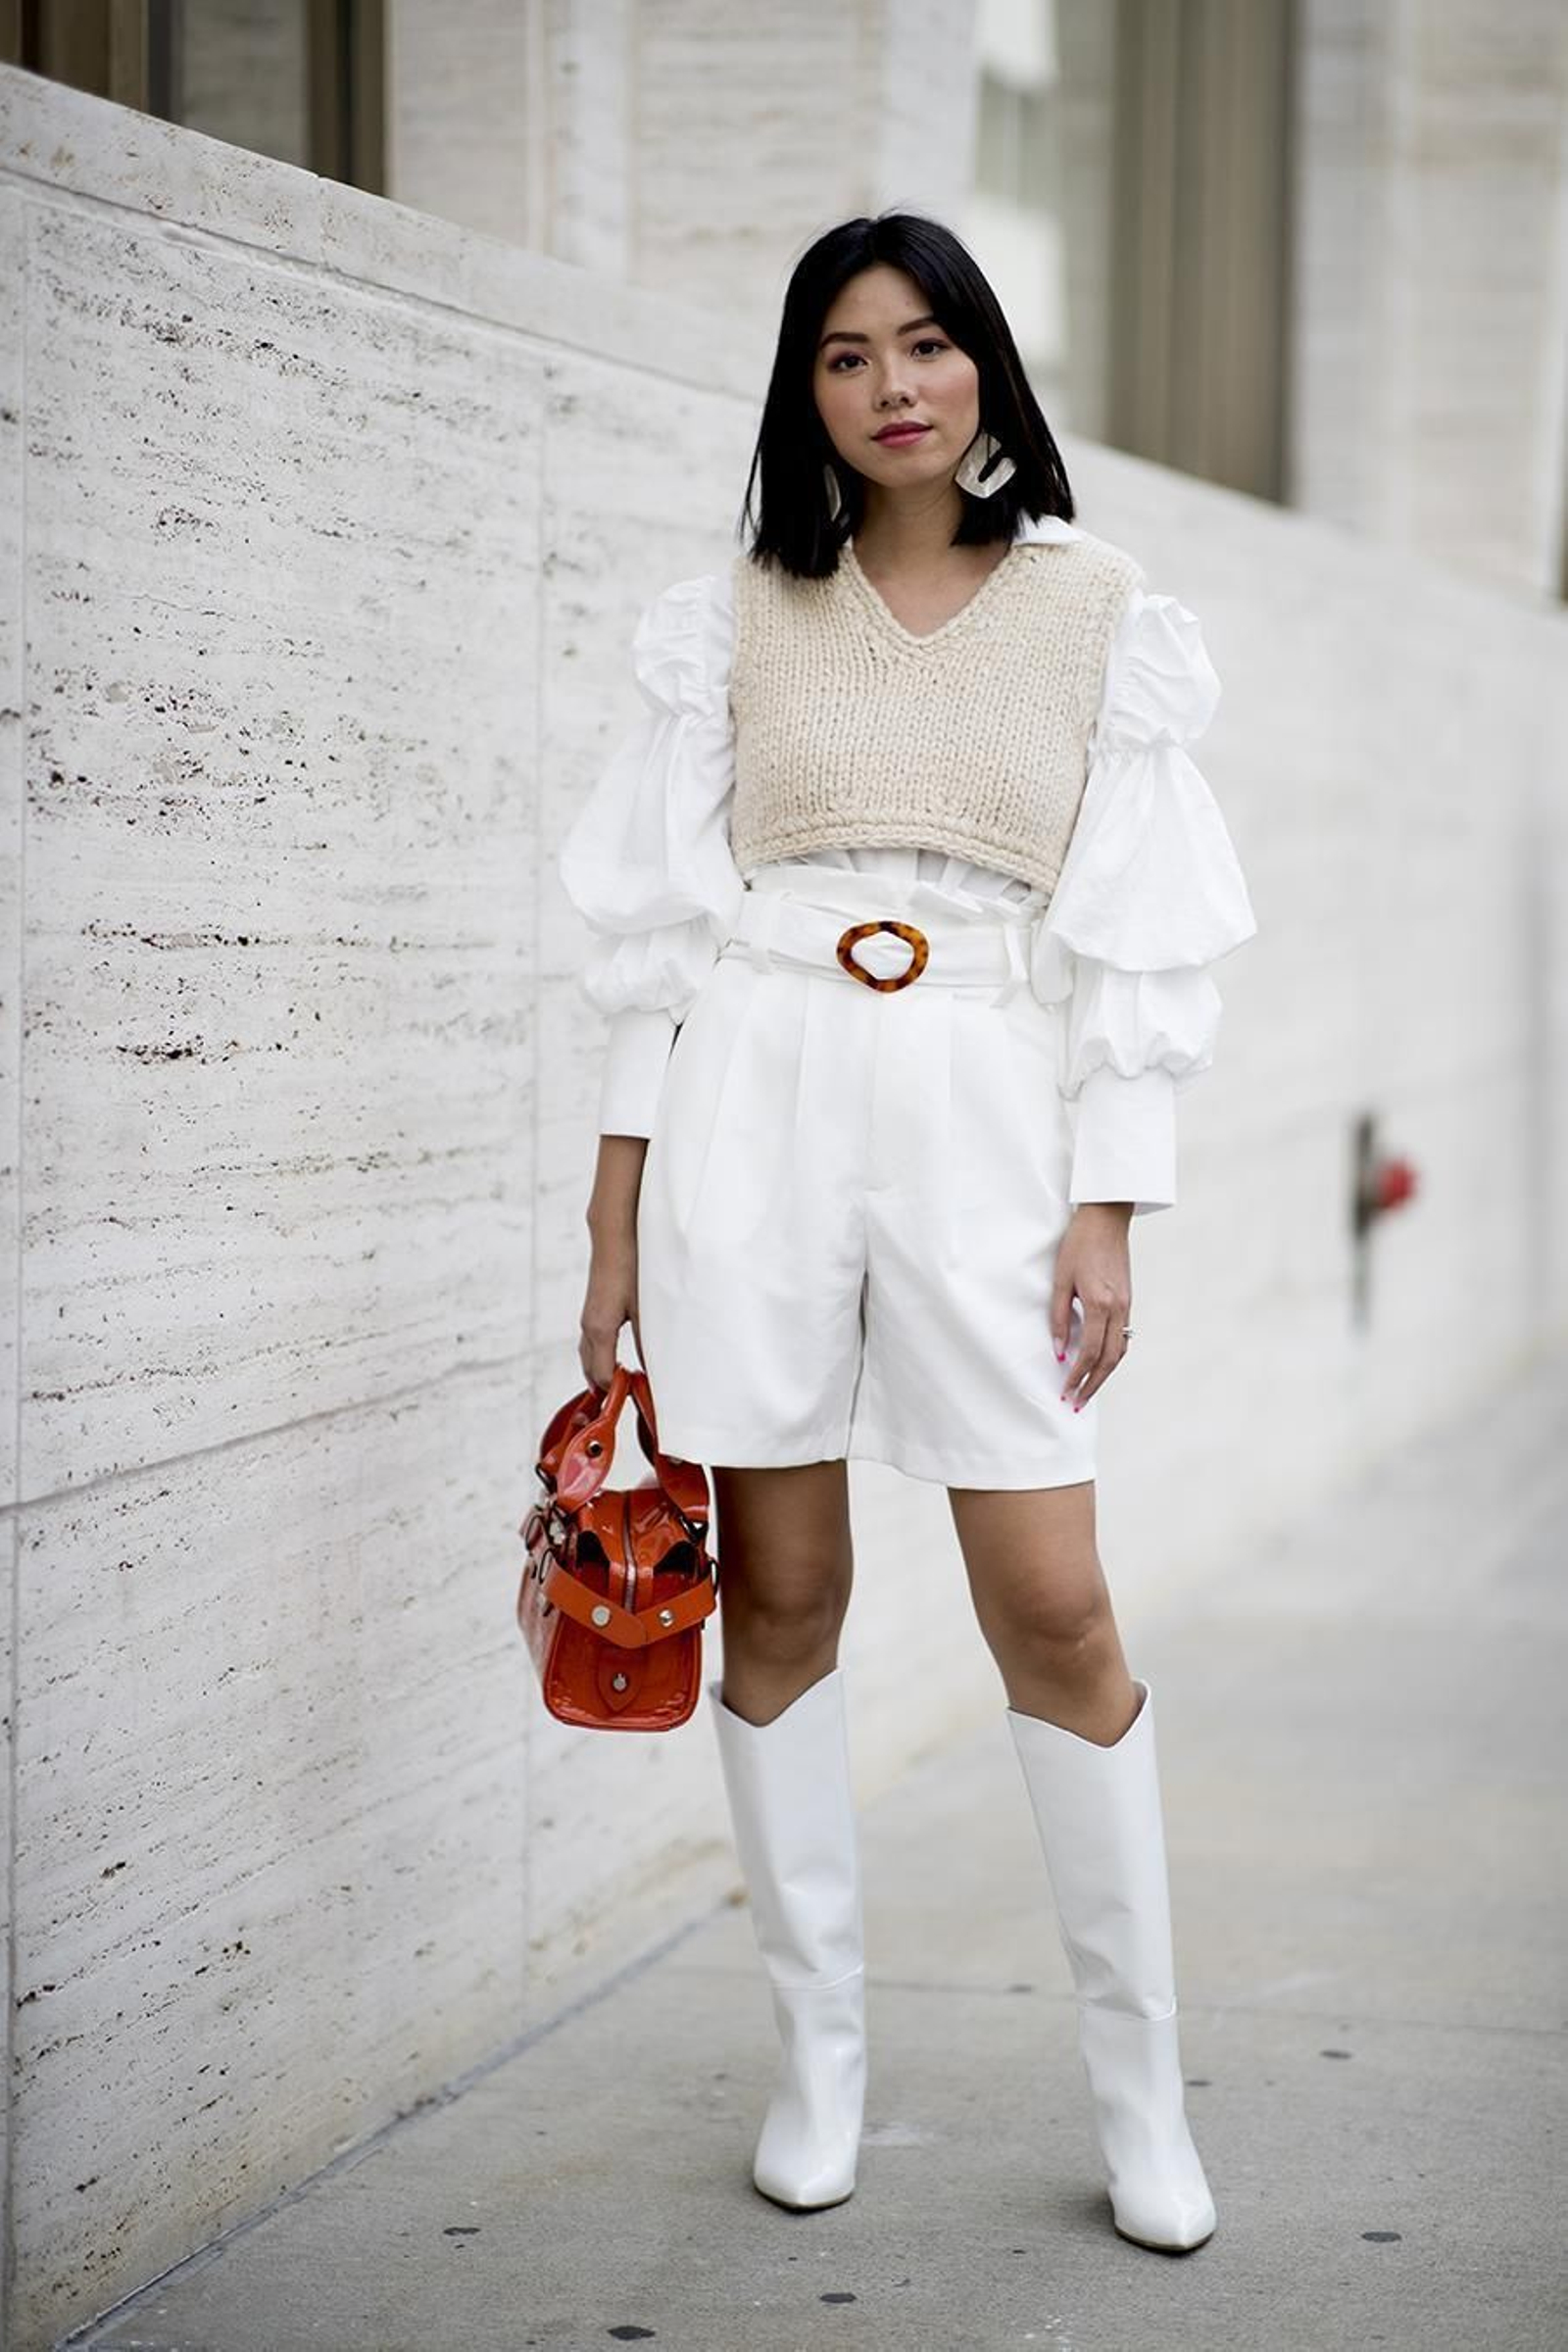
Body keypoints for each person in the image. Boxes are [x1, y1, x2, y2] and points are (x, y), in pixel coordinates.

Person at [557, 210, 1256, 2255]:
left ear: (983, 369)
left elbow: (1137, 953)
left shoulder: (1098, 610)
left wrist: (1106, 1210)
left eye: (926, 344)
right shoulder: (729, 617)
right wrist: (613, 1218)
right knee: (777, 1597)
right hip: (746, 1105)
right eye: (846, 353)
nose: (890, 385)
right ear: (805, 389)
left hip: (976, 1107)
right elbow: (648, 952)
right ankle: (817, 2070)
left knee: (1053, 1606)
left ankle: (1142, 2107)